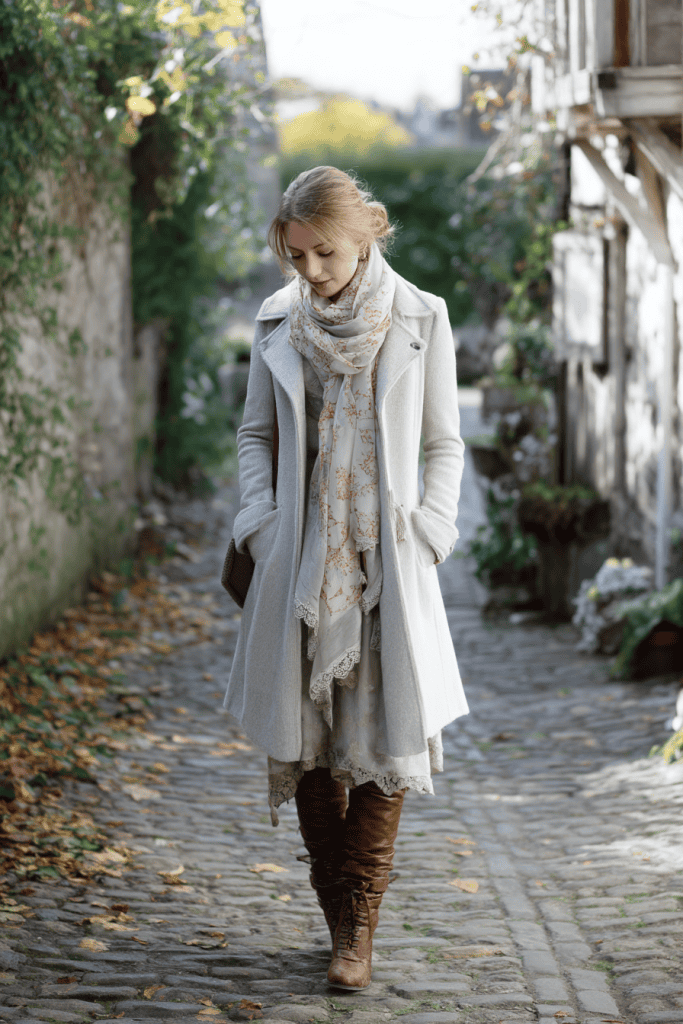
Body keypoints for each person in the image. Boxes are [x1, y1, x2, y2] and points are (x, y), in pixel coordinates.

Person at [224, 166, 468, 990]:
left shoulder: (421, 317)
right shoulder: (278, 320)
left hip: (386, 563)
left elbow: (444, 442)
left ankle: (359, 922)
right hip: (299, 562)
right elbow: (254, 434)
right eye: (295, 256)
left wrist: (431, 530)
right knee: (310, 744)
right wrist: (257, 524)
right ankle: (342, 928)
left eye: (322, 253)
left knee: (386, 734)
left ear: (365, 233)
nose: (309, 271)